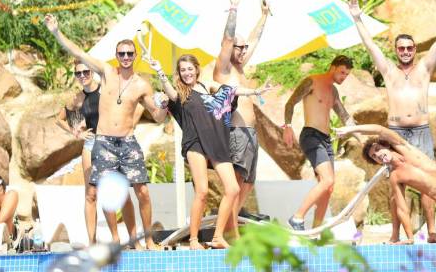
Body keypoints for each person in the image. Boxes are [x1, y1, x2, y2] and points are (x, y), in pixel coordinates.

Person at [44, 14, 168, 250]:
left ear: (135, 56)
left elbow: (158, 116)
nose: (125, 57)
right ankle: (115, 238)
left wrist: (164, 104)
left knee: (142, 191)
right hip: (103, 143)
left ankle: (148, 239)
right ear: (116, 56)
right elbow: (79, 53)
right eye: (121, 53)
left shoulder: (141, 85)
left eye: (129, 54)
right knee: (107, 193)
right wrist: (56, 32)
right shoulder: (106, 72)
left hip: (128, 142)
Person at [348, 0, 436, 244]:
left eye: (409, 48)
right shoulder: (389, 71)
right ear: (396, 51)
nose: (406, 51)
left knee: (428, 183)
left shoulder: (424, 69)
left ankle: (432, 231)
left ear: (415, 50)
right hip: (396, 134)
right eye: (401, 48)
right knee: (395, 185)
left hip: (421, 131)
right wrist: (357, 18)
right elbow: (371, 46)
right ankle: (396, 234)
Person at [150, 54, 271, 249]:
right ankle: (194, 239)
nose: (187, 73)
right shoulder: (180, 92)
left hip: (217, 143)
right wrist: (160, 72)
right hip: (195, 142)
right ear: (179, 73)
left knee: (233, 189)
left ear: (197, 69)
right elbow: (170, 94)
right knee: (202, 192)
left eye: (190, 69)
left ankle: (217, 236)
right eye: (183, 70)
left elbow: (232, 90)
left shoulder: (208, 87)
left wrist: (256, 91)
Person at [55, 59, 137, 244]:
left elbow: (131, 107)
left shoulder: (106, 90)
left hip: (112, 143)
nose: (82, 76)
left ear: (92, 72)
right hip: (91, 144)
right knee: (91, 194)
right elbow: (59, 119)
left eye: (86, 72)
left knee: (121, 192)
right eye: (78, 73)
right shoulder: (78, 98)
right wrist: (77, 132)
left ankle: (133, 239)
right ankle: (94, 242)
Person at [212, 0, 270, 224]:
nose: (244, 51)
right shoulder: (224, 69)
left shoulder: (240, 67)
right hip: (236, 132)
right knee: (236, 182)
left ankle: (231, 223)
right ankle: (226, 227)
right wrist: (234, 8)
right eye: (240, 47)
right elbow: (228, 39)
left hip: (250, 133)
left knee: (248, 183)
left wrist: (264, 16)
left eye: (245, 48)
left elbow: (254, 40)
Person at [282, 55, 356, 230]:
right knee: (327, 180)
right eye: (342, 72)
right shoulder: (312, 82)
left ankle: (316, 231)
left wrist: (366, 136)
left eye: (347, 74)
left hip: (326, 139)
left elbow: (345, 117)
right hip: (311, 136)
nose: (344, 77)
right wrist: (288, 126)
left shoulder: (334, 91)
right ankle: (297, 218)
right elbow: (290, 103)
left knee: (328, 188)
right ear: (333, 67)